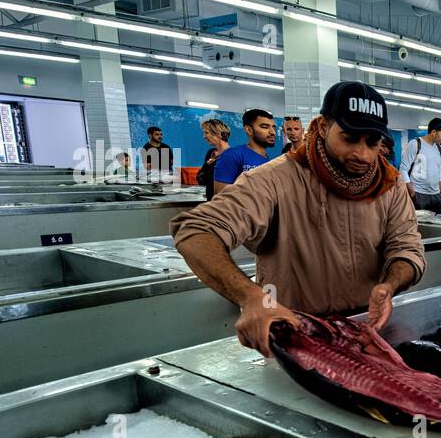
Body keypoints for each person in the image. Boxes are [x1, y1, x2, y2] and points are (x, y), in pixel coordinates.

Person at [170, 81, 425, 352]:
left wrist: (389, 285)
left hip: (367, 331)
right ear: (324, 127)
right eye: (349, 138)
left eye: (373, 143)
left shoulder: (390, 185)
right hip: (294, 335)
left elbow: (406, 247)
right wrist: (250, 297)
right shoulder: (274, 180)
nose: (362, 154)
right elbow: (196, 231)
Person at [400, 117, 441, 212]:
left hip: (437, 196)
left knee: (437, 226)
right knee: (419, 226)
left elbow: (439, 172)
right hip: (419, 195)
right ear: (434, 132)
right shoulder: (415, 144)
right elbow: (403, 169)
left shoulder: (440, 149)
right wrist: (412, 193)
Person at [197, 118, 231, 199]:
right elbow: (201, 179)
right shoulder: (211, 153)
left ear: (218, 134)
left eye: (206, 133)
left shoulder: (232, 156)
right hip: (210, 200)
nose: (204, 137)